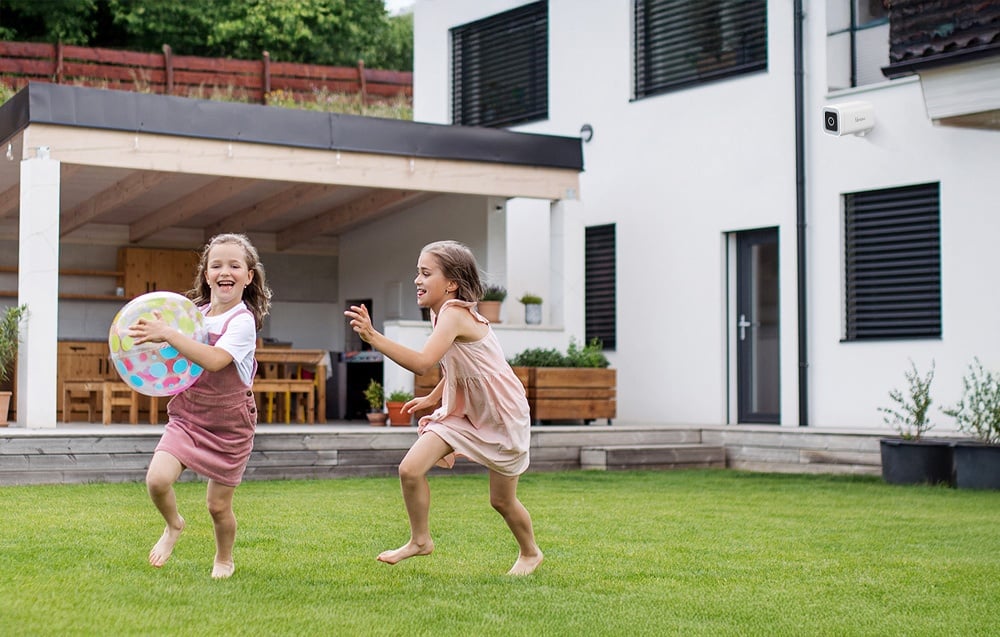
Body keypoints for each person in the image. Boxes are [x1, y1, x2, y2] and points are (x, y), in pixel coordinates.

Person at [344, 240, 543, 576]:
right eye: (417, 273)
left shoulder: (454, 315)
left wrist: (373, 337)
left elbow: (424, 362)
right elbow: (462, 363)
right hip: (465, 412)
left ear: (451, 283)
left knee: (502, 500)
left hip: (501, 414)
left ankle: (530, 553)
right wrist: (434, 398)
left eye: (425, 273)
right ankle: (420, 541)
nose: (417, 280)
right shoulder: (440, 313)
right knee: (410, 470)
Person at [129, 233, 272, 579]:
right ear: (206, 275)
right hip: (189, 416)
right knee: (157, 480)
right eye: (217, 265)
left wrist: (169, 334)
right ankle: (173, 524)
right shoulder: (193, 316)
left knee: (217, 506)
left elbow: (215, 360)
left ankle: (224, 558)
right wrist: (154, 340)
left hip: (230, 425)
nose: (225, 272)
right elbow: (173, 357)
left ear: (248, 276)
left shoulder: (242, 321)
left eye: (234, 266)